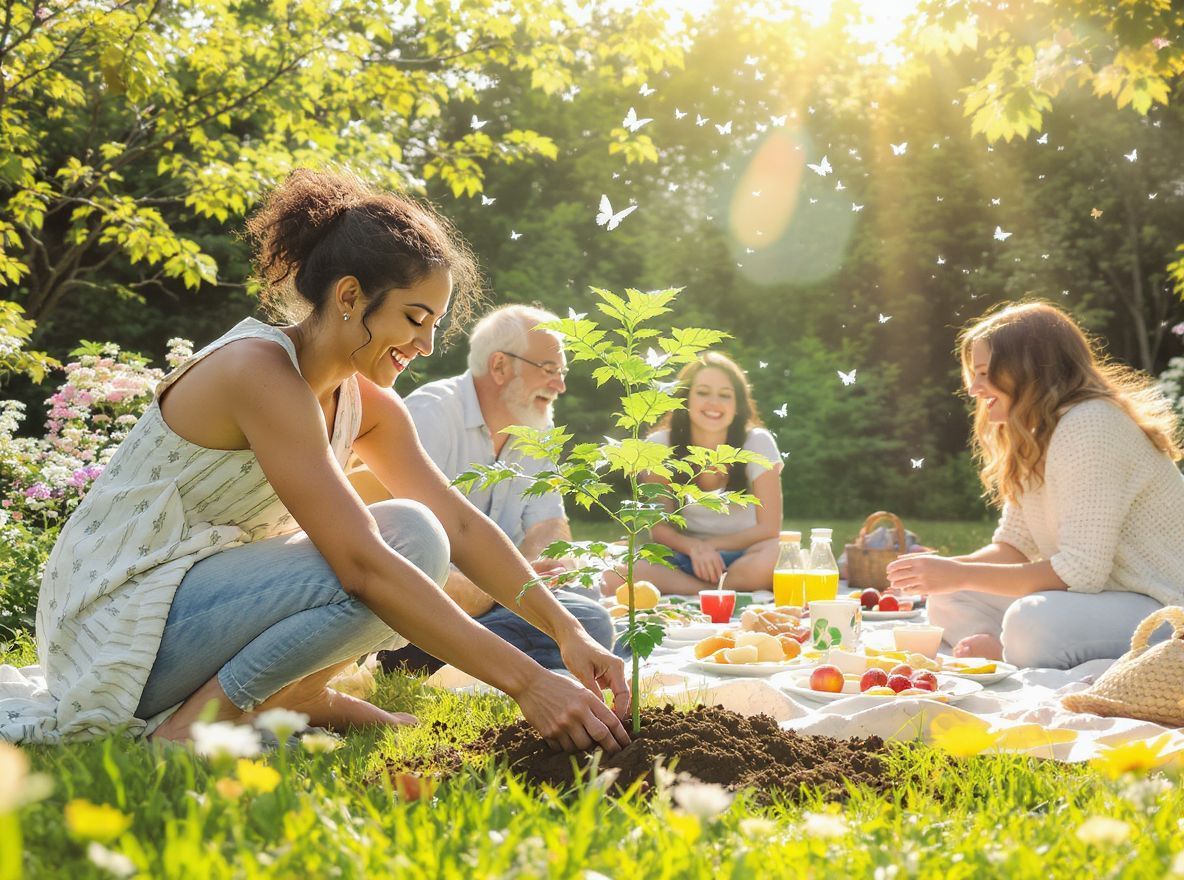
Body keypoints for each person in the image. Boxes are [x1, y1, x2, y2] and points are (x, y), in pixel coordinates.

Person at [0, 169, 630, 755]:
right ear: (351, 295)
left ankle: (298, 696)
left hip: (197, 607)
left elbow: (461, 526)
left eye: (436, 323)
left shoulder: (369, 405)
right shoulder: (258, 370)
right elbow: (359, 564)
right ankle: (195, 728)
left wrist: (565, 629)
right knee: (396, 545)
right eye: (415, 317)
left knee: (419, 530)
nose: (427, 344)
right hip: (118, 624)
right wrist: (529, 684)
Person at [887, 300, 1184, 669]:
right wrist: (941, 571)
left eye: (983, 373)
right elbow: (1013, 547)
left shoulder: (1091, 425)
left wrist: (958, 572)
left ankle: (1005, 645)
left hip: (1163, 606)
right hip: (1103, 597)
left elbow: (1081, 573)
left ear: (1027, 370)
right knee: (949, 595)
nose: (974, 388)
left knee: (1030, 622)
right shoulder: (1034, 433)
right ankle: (993, 649)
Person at [348, 304, 615, 674]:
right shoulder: (431, 416)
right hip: (429, 606)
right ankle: (425, 659)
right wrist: (511, 587)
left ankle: (464, 659)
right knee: (592, 625)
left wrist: (539, 575)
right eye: (549, 370)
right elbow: (393, 557)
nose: (560, 385)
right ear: (500, 366)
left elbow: (550, 524)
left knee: (589, 609)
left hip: (496, 598)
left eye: (562, 372)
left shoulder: (536, 429)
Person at [603, 351, 784, 596]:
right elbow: (659, 528)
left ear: (738, 405)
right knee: (615, 572)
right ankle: (711, 592)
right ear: (685, 398)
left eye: (725, 395)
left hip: (747, 555)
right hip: (682, 557)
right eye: (702, 392)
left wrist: (707, 547)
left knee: (777, 555)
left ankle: (705, 591)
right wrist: (693, 548)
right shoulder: (659, 445)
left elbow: (769, 529)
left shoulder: (757, 442)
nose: (714, 403)